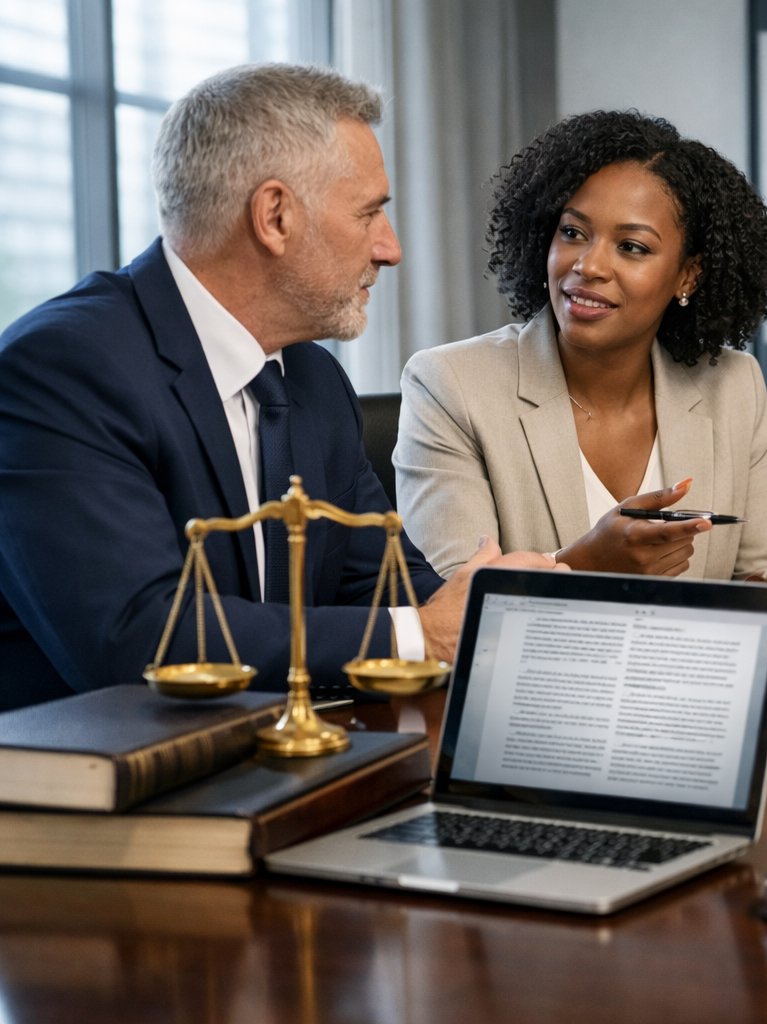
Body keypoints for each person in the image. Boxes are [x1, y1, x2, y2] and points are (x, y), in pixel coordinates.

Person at [0, 63, 554, 712]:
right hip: (98, 797)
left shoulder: (314, 377)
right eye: (370, 213)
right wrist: (421, 634)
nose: (390, 249)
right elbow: (139, 639)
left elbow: (379, 589)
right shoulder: (61, 368)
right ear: (275, 216)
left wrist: (492, 606)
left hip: (275, 773)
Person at [394, 110, 767, 645]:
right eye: (573, 232)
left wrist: (746, 634)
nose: (589, 265)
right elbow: (449, 609)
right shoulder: (451, 384)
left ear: (687, 274)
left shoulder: (732, 385)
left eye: (632, 247)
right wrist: (583, 565)